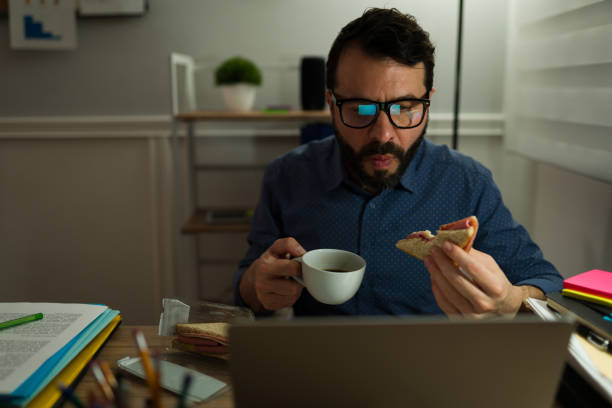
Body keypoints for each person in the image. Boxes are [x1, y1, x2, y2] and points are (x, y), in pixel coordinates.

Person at [233, 8, 562, 317]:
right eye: (361, 109)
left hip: (431, 369)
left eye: (405, 107)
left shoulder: (468, 183)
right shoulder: (287, 176)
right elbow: (244, 291)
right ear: (332, 105)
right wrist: (257, 286)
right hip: (317, 368)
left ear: (428, 103)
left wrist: (509, 300)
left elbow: (546, 284)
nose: (384, 134)